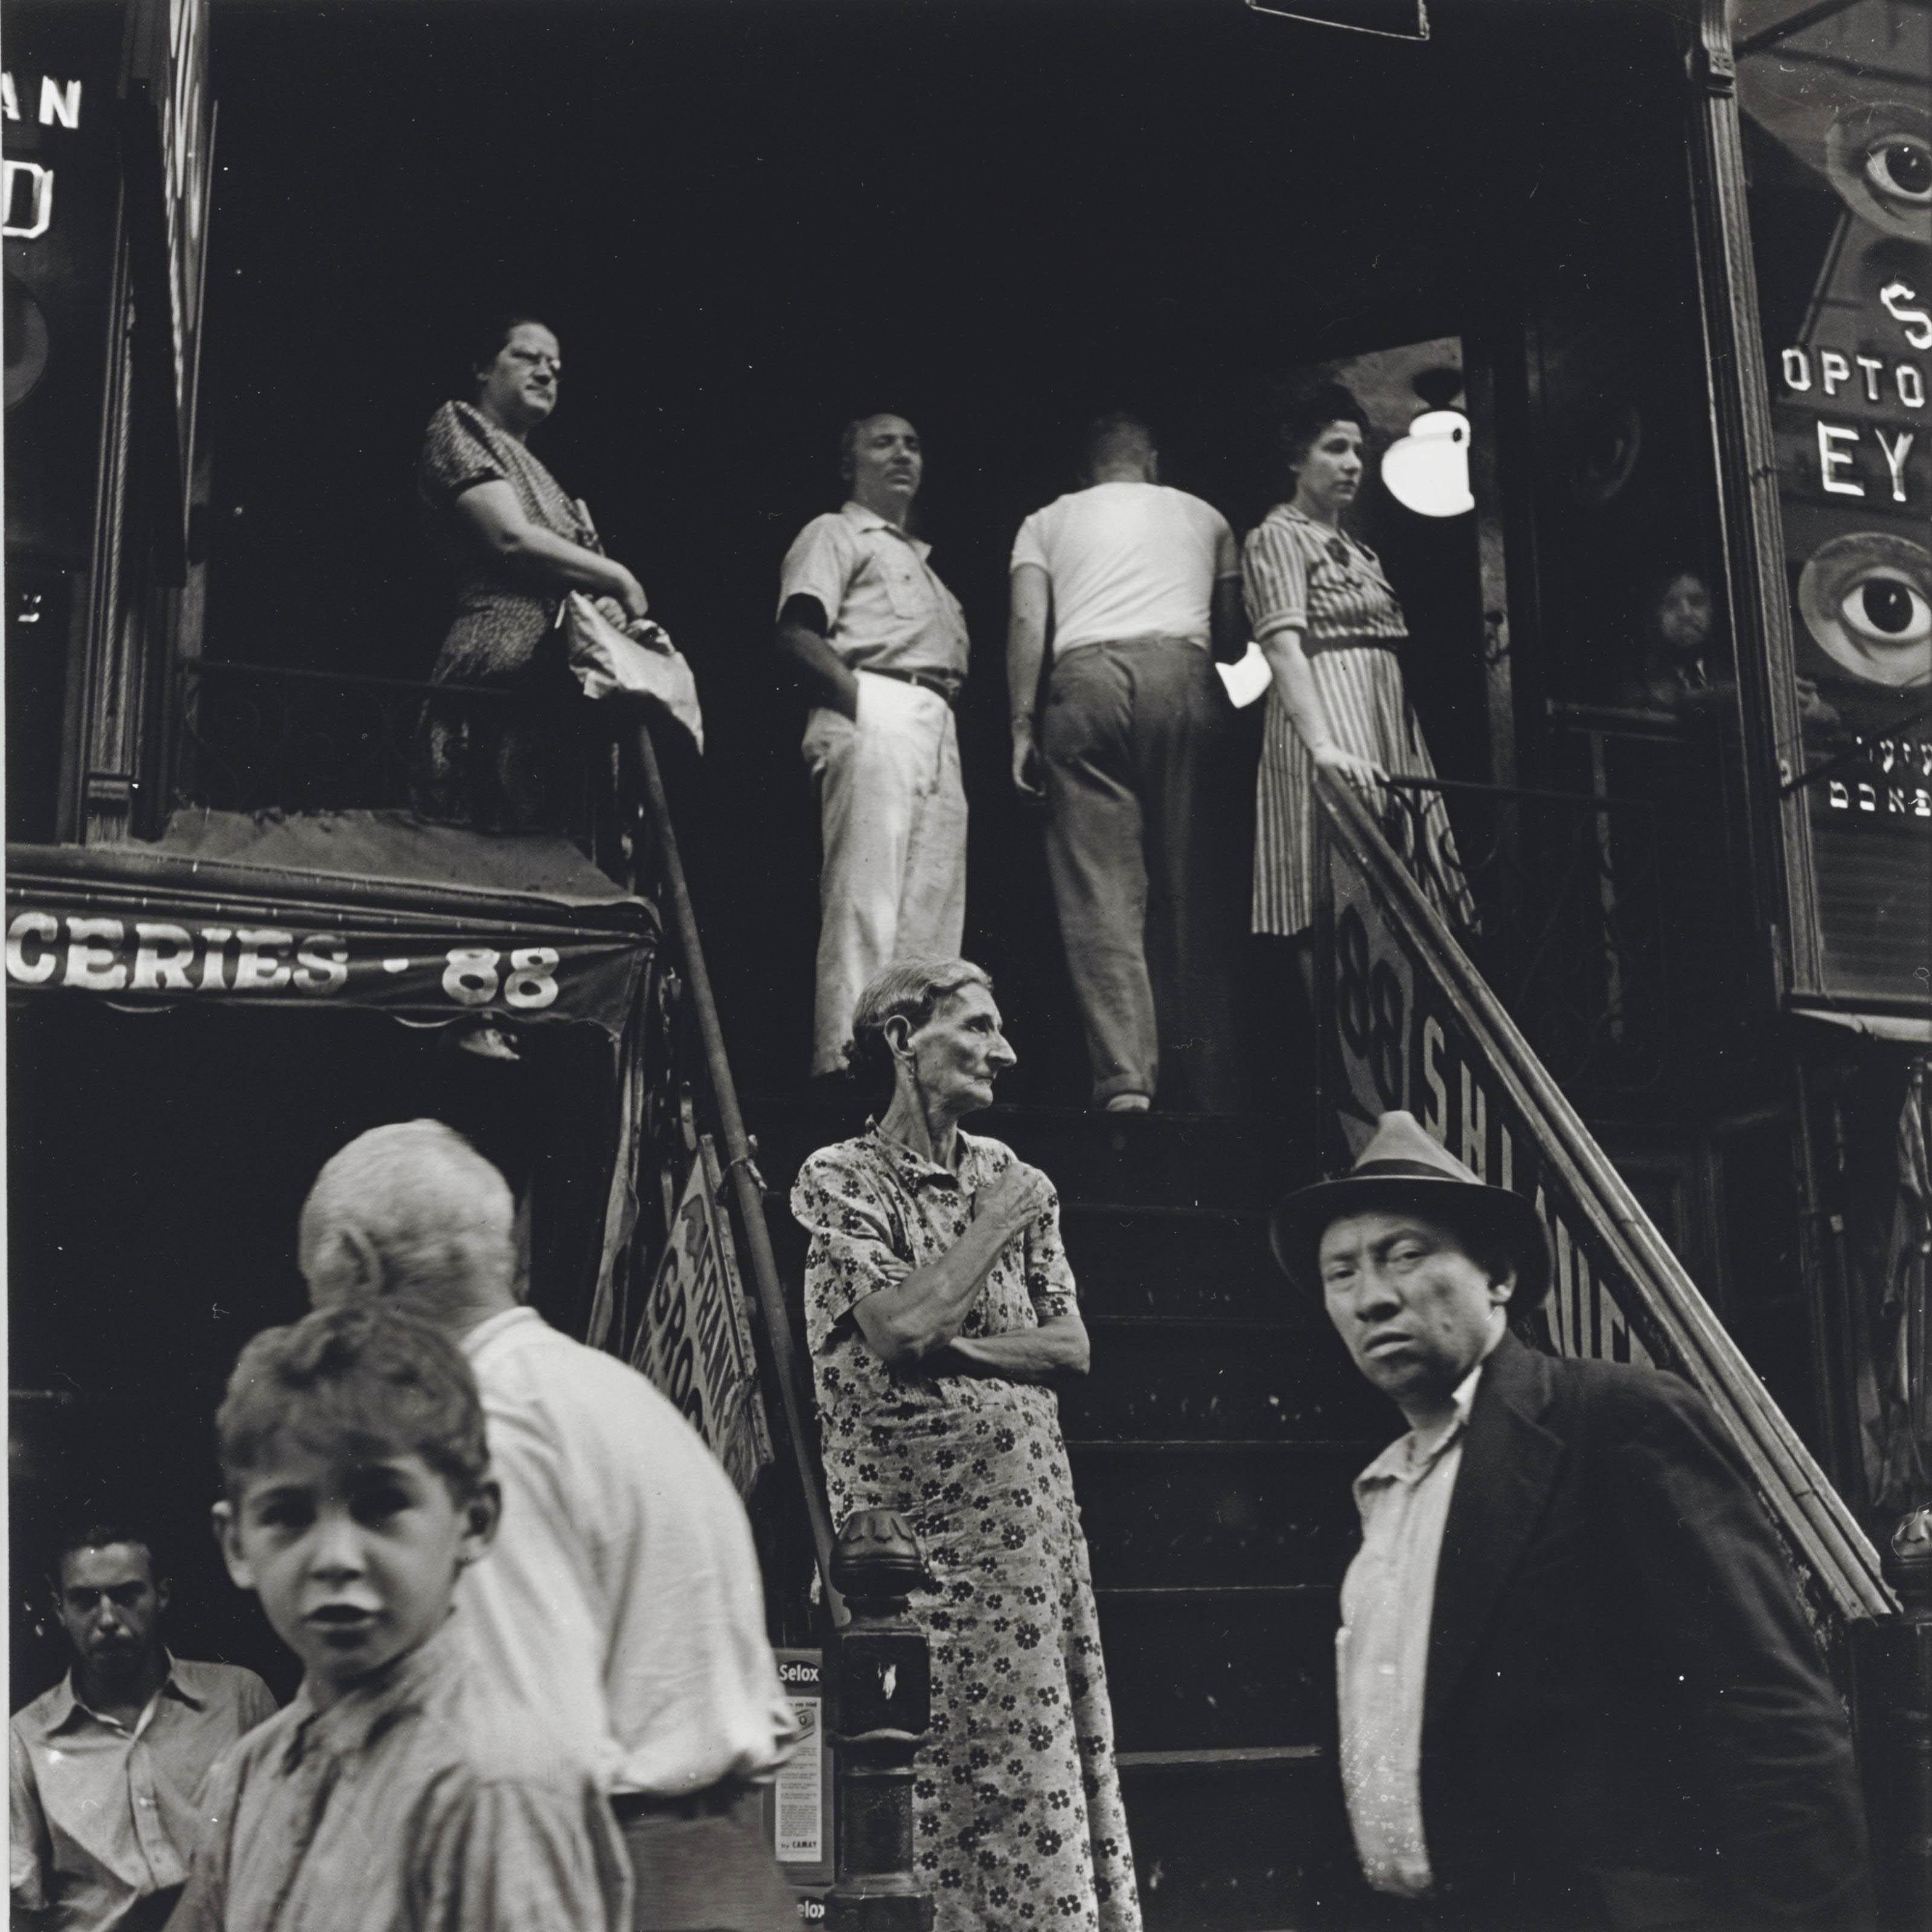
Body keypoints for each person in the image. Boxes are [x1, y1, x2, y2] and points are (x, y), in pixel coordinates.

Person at [1268, 1110, 1876, 1932]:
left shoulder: (1613, 1420)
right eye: (1340, 1273)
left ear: (1499, 1278)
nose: (1372, 1297)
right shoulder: (1384, 1493)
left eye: (1405, 1255)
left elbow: (1776, 1730)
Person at [296, 1118, 798, 1932]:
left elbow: (522, 1761)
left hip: (604, 1889)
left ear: (355, 1265)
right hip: (726, 1872)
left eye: (316, 1303)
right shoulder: (616, 1395)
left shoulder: (480, 1430)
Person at [790, 959, 1141, 1931]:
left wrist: (960, 1341)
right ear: (904, 1040)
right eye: (978, 1029)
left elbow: (1069, 1347)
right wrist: (987, 1234)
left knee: (1033, 1777)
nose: (1006, 1050)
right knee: (918, 1766)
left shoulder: (1019, 1176)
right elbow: (898, 1331)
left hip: (1024, 1554)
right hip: (912, 1558)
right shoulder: (841, 1178)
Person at [168, 1302, 631, 1931]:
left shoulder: (497, 1784)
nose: (335, 1558)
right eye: (288, 1514)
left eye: (382, 1504)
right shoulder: (252, 1770)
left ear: (474, 1519)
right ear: (237, 1544)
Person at [1006, 413, 1247, 1113]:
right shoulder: (1204, 515)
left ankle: (1125, 1082)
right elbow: (1232, 641)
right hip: (1183, 675)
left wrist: (1020, 725)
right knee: (1193, 884)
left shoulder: (1044, 520)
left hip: (1082, 681)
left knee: (1099, 893)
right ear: (1151, 460)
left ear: (1085, 472)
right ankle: (1208, 1083)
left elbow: (1027, 622)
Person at [1243, 383, 1474, 982]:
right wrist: (1322, 745)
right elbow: (1281, 645)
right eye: (1333, 447)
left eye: (1357, 451)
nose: (1350, 464)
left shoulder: (1359, 550)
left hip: (1382, 721)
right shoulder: (1277, 537)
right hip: (1324, 722)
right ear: (1296, 458)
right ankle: (1338, 1068)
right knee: (1329, 894)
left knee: (1401, 892)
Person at [775, 413, 971, 1081]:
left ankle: (913, 1069)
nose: (902, 454)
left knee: (931, 908)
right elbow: (797, 634)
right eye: (882, 442)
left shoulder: (927, 569)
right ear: (848, 462)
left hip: (936, 719)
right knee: (867, 896)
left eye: (913, 443)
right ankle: (843, 1061)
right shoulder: (834, 532)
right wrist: (867, 707)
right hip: (873, 700)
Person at [415, 312, 653, 832]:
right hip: (498, 664)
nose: (546, 373)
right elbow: (509, 538)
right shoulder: (460, 423)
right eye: (526, 356)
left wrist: (605, 599)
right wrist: (618, 578)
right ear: (482, 368)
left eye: (556, 367)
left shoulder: (560, 493)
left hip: (562, 684)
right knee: (480, 843)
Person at [10, 1526, 277, 1932]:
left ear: (161, 1596)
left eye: (127, 1595)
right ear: (59, 1608)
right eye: (85, 1600)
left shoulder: (240, 1697)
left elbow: (291, 1849)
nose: (108, 1619)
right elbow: (18, 1911)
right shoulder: (22, 1740)